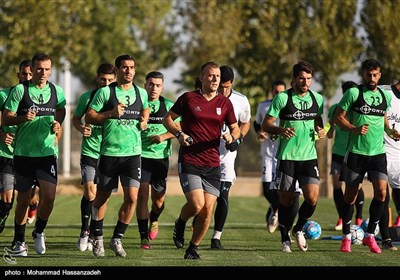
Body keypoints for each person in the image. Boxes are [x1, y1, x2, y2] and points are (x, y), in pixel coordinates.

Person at [163, 61, 240, 259]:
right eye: (210, 75)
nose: (215, 79)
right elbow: (168, 120)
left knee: (207, 211)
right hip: (190, 160)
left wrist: (232, 136)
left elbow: (236, 128)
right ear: (201, 77)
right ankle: (180, 222)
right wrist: (179, 134)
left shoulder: (225, 103)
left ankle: (192, 248)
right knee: (197, 205)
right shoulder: (188, 98)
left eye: (217, 76)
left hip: (213, 164)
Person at [85, 54, 149, 258]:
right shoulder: (105, 92)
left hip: (133, 154)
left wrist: (145, 120)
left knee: (132, 198)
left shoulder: (141, 93)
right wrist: (111, 113)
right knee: (101, 198)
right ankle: (97, 237)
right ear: (118, 69)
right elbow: (90, 116)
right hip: (109, 154)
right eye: (124, 67)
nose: (128, 71)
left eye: (131, 67)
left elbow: (145, 108)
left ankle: (117, 238)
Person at [2, 53, 66, 256]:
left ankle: (39, 231)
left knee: (48, 196)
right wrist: (23, 117)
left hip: (47, 154)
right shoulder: (21, 90)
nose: (43, 73)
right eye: (39, 68)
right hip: (23, 154)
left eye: (47, 69)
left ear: (51, 69)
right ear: (33, 69)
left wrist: (58, 123)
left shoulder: (57, 90)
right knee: (23, 200)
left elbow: (61, 109)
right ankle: (19, 241)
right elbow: (6, 119)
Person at [334, 58, 399, 253]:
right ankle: (346, 236)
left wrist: (390, 132)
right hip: (356, 153)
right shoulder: (354, 93)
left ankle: (370, 236)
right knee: (350, 197)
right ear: (364, 74)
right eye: (369, 75)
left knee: (381, 193)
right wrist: (354, 128)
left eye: (376, 75)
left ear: (380, 75)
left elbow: (384, 120)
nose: (372, 78)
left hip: (378, 153)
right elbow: (338, 117)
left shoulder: (384, 97)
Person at [262, 60, 326, 253]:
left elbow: (318, 120)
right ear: (294, 79)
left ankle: (298, 229)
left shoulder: (318, 99)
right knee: (286, 200)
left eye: (308, 78)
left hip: (308, 157)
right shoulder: (282, 99)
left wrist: (320, 130)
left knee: (312, 198)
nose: (305, 82)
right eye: (301, 78)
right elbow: (266, 124)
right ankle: (285, 239)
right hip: (287, 157)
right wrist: (281, 130)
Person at [72, 62, 116, 252]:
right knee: (90, 193)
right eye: (103, 79)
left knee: (102, 197)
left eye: (110, 80)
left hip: (109, 153)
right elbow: (76, 118)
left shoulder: (118, 98)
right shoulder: (86, 97)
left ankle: (94, 233)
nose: (106, 83)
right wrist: (81, 128)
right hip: (90, 151)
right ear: (97, 78)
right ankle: (84, 231)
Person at [136, 71, 179, 250]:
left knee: (158, 201)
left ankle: (154, 219)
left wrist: (163, 136)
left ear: (162, 87)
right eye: (151, 84)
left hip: (160, 159)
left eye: (157, 85)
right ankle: (143, 237)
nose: (154, 88)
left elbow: (180, 128)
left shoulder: (169, 106)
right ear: (145, 85)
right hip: (140, 156)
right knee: (142, 196)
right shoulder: (138, 104)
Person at [209, 65, 251, 249]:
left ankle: (216, 237)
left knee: (223, 195)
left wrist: (238, 140)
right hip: (205, 152)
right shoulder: (206, 97)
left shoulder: (241, 100)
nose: (223, 90)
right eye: (221, 87)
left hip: (227, 155)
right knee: (204, 201)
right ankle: (191, 223)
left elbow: (245, 123)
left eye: (227, 86)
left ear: (232, 83)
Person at [327, 81, 365, 231]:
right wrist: (326, 131)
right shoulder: (334, 109)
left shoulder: (360, 110)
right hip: (338, 153)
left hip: (354, 152)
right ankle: (342, 217)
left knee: (356, 185)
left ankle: (359, 218)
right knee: (336, 185)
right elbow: (330, 125)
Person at [0, 60, 32, 233]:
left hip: (29, 154)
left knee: (30, 199)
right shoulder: (5, 95)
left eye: (30, 74)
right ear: (18, 74)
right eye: (23, 74)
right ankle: (2, 217)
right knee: (7, 199)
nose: (27, 77)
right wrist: (1, 134)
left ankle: (20, 238)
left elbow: (57, 116)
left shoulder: (41, 96)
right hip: (7, 154)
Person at [253, 80, 286, 234]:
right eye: (276, 92)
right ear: (272, 92)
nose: (278, 94)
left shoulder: (289, 106)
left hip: (284, 154)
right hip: (267, 153)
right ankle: (276, 209)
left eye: (282, 92)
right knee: (267, 189)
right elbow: (257, 124)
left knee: (282, 189)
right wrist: (259, 133)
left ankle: (276, 213)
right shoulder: (263, 106)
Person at [377, 79, 400, 250]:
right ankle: (386, 239)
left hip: (399, 156)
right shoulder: (383, 92)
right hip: (381, 151)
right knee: (383, 194)